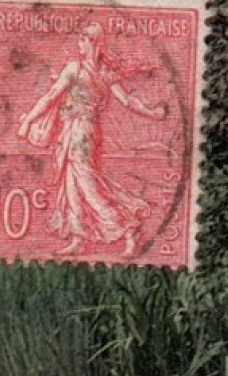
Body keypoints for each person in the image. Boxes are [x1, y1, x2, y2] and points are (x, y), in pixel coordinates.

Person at [16, 22, 168, 258]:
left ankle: (128, 228)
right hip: (76, 130)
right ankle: (78, 238)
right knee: (72, 184)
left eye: (83, 40)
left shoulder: (77, 69)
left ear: (92, 43)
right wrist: (152, 112)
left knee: (87, 183)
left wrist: (27, 122)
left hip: (81, 132)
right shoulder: (102, 72)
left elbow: (50, 98)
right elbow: (127, 101)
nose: (79, 44)